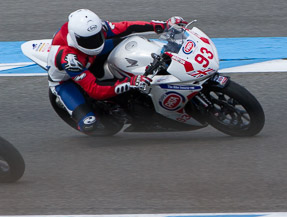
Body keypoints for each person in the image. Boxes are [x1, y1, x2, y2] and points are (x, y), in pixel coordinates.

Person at [48, 9, 186, 132]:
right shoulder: (69, 59)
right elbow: (94, 89)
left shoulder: (99, 28)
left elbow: (128, 27)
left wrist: (163, 26)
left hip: (90, 57)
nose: (95, 43)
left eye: (97, 37)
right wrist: (130, 82)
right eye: (89, 41)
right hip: (66, 81)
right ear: (76, 38)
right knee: (88, 123)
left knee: (132, 42)